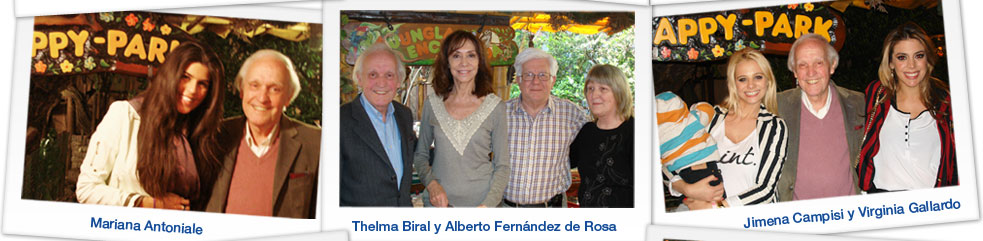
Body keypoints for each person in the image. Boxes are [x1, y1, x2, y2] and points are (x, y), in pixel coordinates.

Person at [76, 41, 226, 210]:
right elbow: (86, 189)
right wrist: (151, 203)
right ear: (170, 75)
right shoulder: (125, 115)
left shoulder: (201, 135)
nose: (192, 90)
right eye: (185, 77)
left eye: (202, 84)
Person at [205, 49, 321, 218]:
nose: (262, 98)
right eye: (254, 85)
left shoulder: (317, 143)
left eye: (274, 89)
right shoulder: (215, 136)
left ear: (288, 98)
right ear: (242, 91)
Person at [674, 49, 788, 209]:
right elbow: (669, 158)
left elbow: (766, 189)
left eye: (758, 77)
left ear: (768, 80)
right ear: (733, 83)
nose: (751, 85)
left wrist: (719, 208)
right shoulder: (710, 117)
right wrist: (686, 188)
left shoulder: (774, 126)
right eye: (743, 79)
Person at [413, 30, 509, 207]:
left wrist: (487, 206)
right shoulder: (432, 103)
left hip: (483, 207)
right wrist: (432, 186)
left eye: (471, 55)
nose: (464, 63)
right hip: (438, 207)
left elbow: (502, 166)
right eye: (456, 55)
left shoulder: (495, 107)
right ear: (447, 62)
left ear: (479, 62)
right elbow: (420, 156)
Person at [857, 22, 957, 192]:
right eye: (902, 57)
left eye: (919, 56)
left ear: (928, 60)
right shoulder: (876, 96)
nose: (912, 65)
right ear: (890, 63)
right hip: (880, 203)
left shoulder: (947, 103)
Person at [776, 34, 865, 201]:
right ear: (795, 72)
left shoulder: (858, 103)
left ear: (832, 65)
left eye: (819, 63)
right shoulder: (777, 105)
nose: (811, 72)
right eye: (802, 65)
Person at [504, 48, 589, 208]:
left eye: (543, 75)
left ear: (553, 80)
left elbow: (599, 136)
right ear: (519, 80)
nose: (536, 81)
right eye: (529, 75)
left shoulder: (571, 114)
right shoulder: (500, 113)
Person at [340, 43, 416, 206]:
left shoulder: (404, 115)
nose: (382, 83)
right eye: (373, 74)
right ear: (359, 79)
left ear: (399, 81)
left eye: (389, 75)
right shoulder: (340, 120)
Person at [569, 64, 634, 208]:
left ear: (619, 92)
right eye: (590, 88)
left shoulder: (634, 131)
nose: (594, 94)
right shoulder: (586, 131)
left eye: (603, 89)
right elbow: (563, 161)